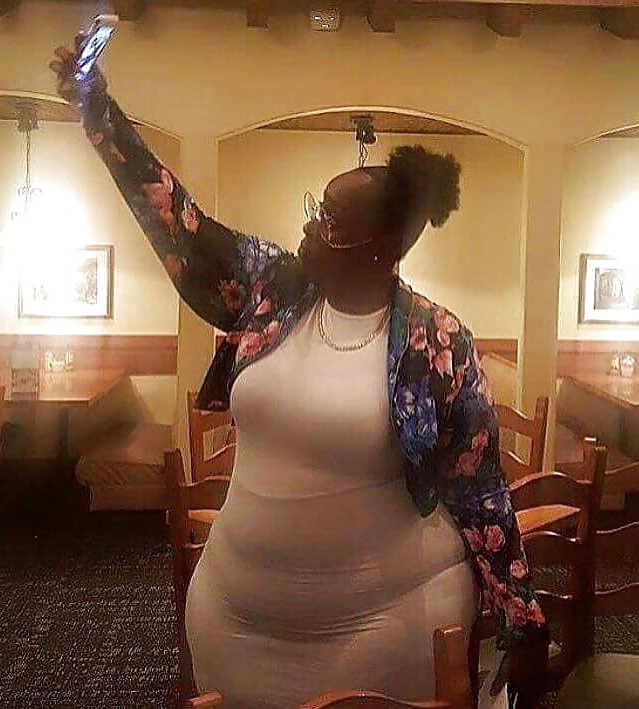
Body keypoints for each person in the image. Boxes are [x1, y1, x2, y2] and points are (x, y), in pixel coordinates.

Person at [50, 35, 548, 708]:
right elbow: (182, 228)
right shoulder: (273, 289)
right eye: (316, 209)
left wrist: (521, 617)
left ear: (381, 247)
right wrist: (99, 111)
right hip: (236, 618)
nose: (309, 227)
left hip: (383, 627)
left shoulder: (437, 340)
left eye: (330, 220)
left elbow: (481, 491)